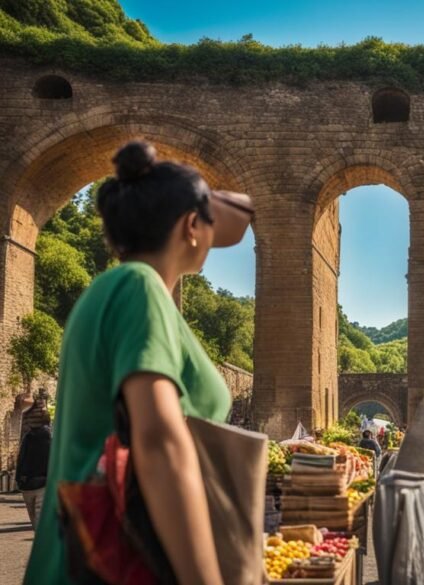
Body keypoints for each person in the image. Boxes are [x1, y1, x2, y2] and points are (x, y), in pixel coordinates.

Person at [25, 141, 254, 585]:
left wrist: (196, 196)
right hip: (114, 560)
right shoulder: (140, 289)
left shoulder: (116, 288)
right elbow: (160, 443)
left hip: (87, 552)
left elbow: (241, 217)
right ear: (191, 225)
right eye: (202, 219)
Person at [16, 419, 51, 529]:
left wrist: (19, 480)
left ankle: (39, 537)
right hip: (44, 483)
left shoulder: (27, 438)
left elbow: (20, 460)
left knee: (33, 516)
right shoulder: (50, 440)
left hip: (27, 484)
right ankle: (41, 540)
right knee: (40, 516)